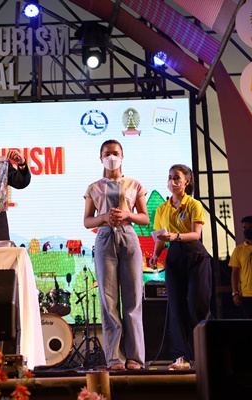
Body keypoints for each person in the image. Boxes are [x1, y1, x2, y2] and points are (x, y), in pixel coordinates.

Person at [83, 139, 149, 371]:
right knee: (108, 301)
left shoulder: (134, 184)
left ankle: (135, 358)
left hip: (128, 237)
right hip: (104, 238)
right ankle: (115, 358)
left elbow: (145, 218)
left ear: (122, 156)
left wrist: (127, 215)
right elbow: (87, 221)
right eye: (107, 153)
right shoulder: (93, 188)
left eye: (115, 153)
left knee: (133, 299)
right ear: (100, 157)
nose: (112, 157)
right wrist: (103, 218)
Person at [149, 164, 211, 371]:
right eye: (170, 177)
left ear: (187, 181)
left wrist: (175, 236)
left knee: (197, 306)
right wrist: (155, 255)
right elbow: (160, 237)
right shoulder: (161, 209)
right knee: (175, 307)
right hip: (174, 256)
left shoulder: (193, 204)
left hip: (195, 256)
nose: (172, 181)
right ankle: (180, 357)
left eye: (176, 177)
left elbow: (196, 234)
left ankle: (203, 355)